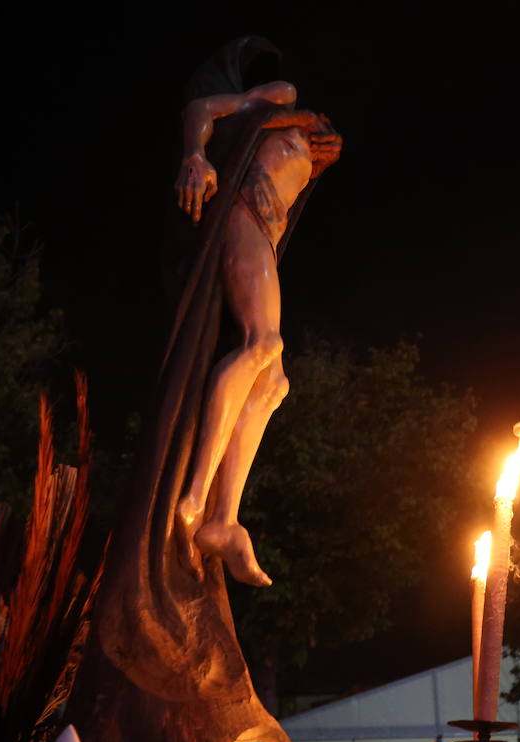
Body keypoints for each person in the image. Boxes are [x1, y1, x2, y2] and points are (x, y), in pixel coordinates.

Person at [170, 37, 342, 587]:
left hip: (262, 235)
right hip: (243, 215)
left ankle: (224, 518)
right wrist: (195, 155)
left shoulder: (294, 134)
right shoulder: (280, 100)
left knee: (273, 382)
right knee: (261, 344)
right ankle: (194, 502)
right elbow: (202, 110)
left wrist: (313, 161)